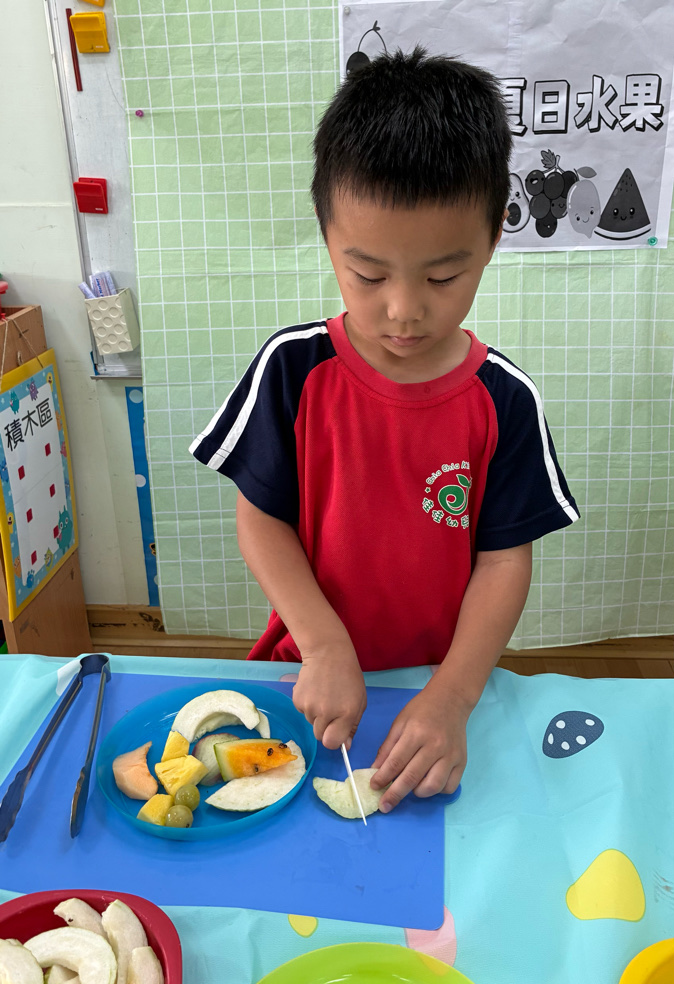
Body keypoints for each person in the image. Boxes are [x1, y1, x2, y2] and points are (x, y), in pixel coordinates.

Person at [190, 47, 580, 813]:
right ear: (326, 234)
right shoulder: (293, 370)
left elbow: (505, 561)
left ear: (493, 240)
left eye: (443, 276)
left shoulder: (503, 401)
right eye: (368, 275)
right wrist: (322, 641)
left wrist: (454, 695)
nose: (403, 309)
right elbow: (261, 518)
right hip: (308, 671)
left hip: (440, 684)